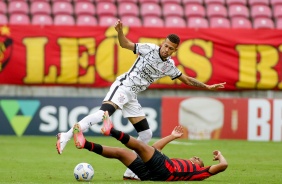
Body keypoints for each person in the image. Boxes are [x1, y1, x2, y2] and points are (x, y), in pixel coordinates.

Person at [56, 19, 226, 179]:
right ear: (163, 43)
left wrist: (207, 87)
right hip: (124, 86)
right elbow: (124, 44)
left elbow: (187, 79)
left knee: (146, 134)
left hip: (133, 96)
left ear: (175, 50)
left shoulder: (169, 66)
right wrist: (120, 32)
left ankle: (131, 173)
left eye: (171, 49)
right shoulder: (149, 49)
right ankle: (66, 135)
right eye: (166, 46)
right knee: (103, 114)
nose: (166, 50)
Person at [72, 111, 228, 181]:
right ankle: (85, 144)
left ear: (199, 166)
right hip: (152, 175)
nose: (196, 157)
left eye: (198, 159)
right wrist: (172, 136)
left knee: (140, 146)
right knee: (121, 152)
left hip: (166, 172)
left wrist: (219, 156)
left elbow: (223, 165)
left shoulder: (200, 172)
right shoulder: (176, 163)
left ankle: (111, 130)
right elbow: (155, 149)